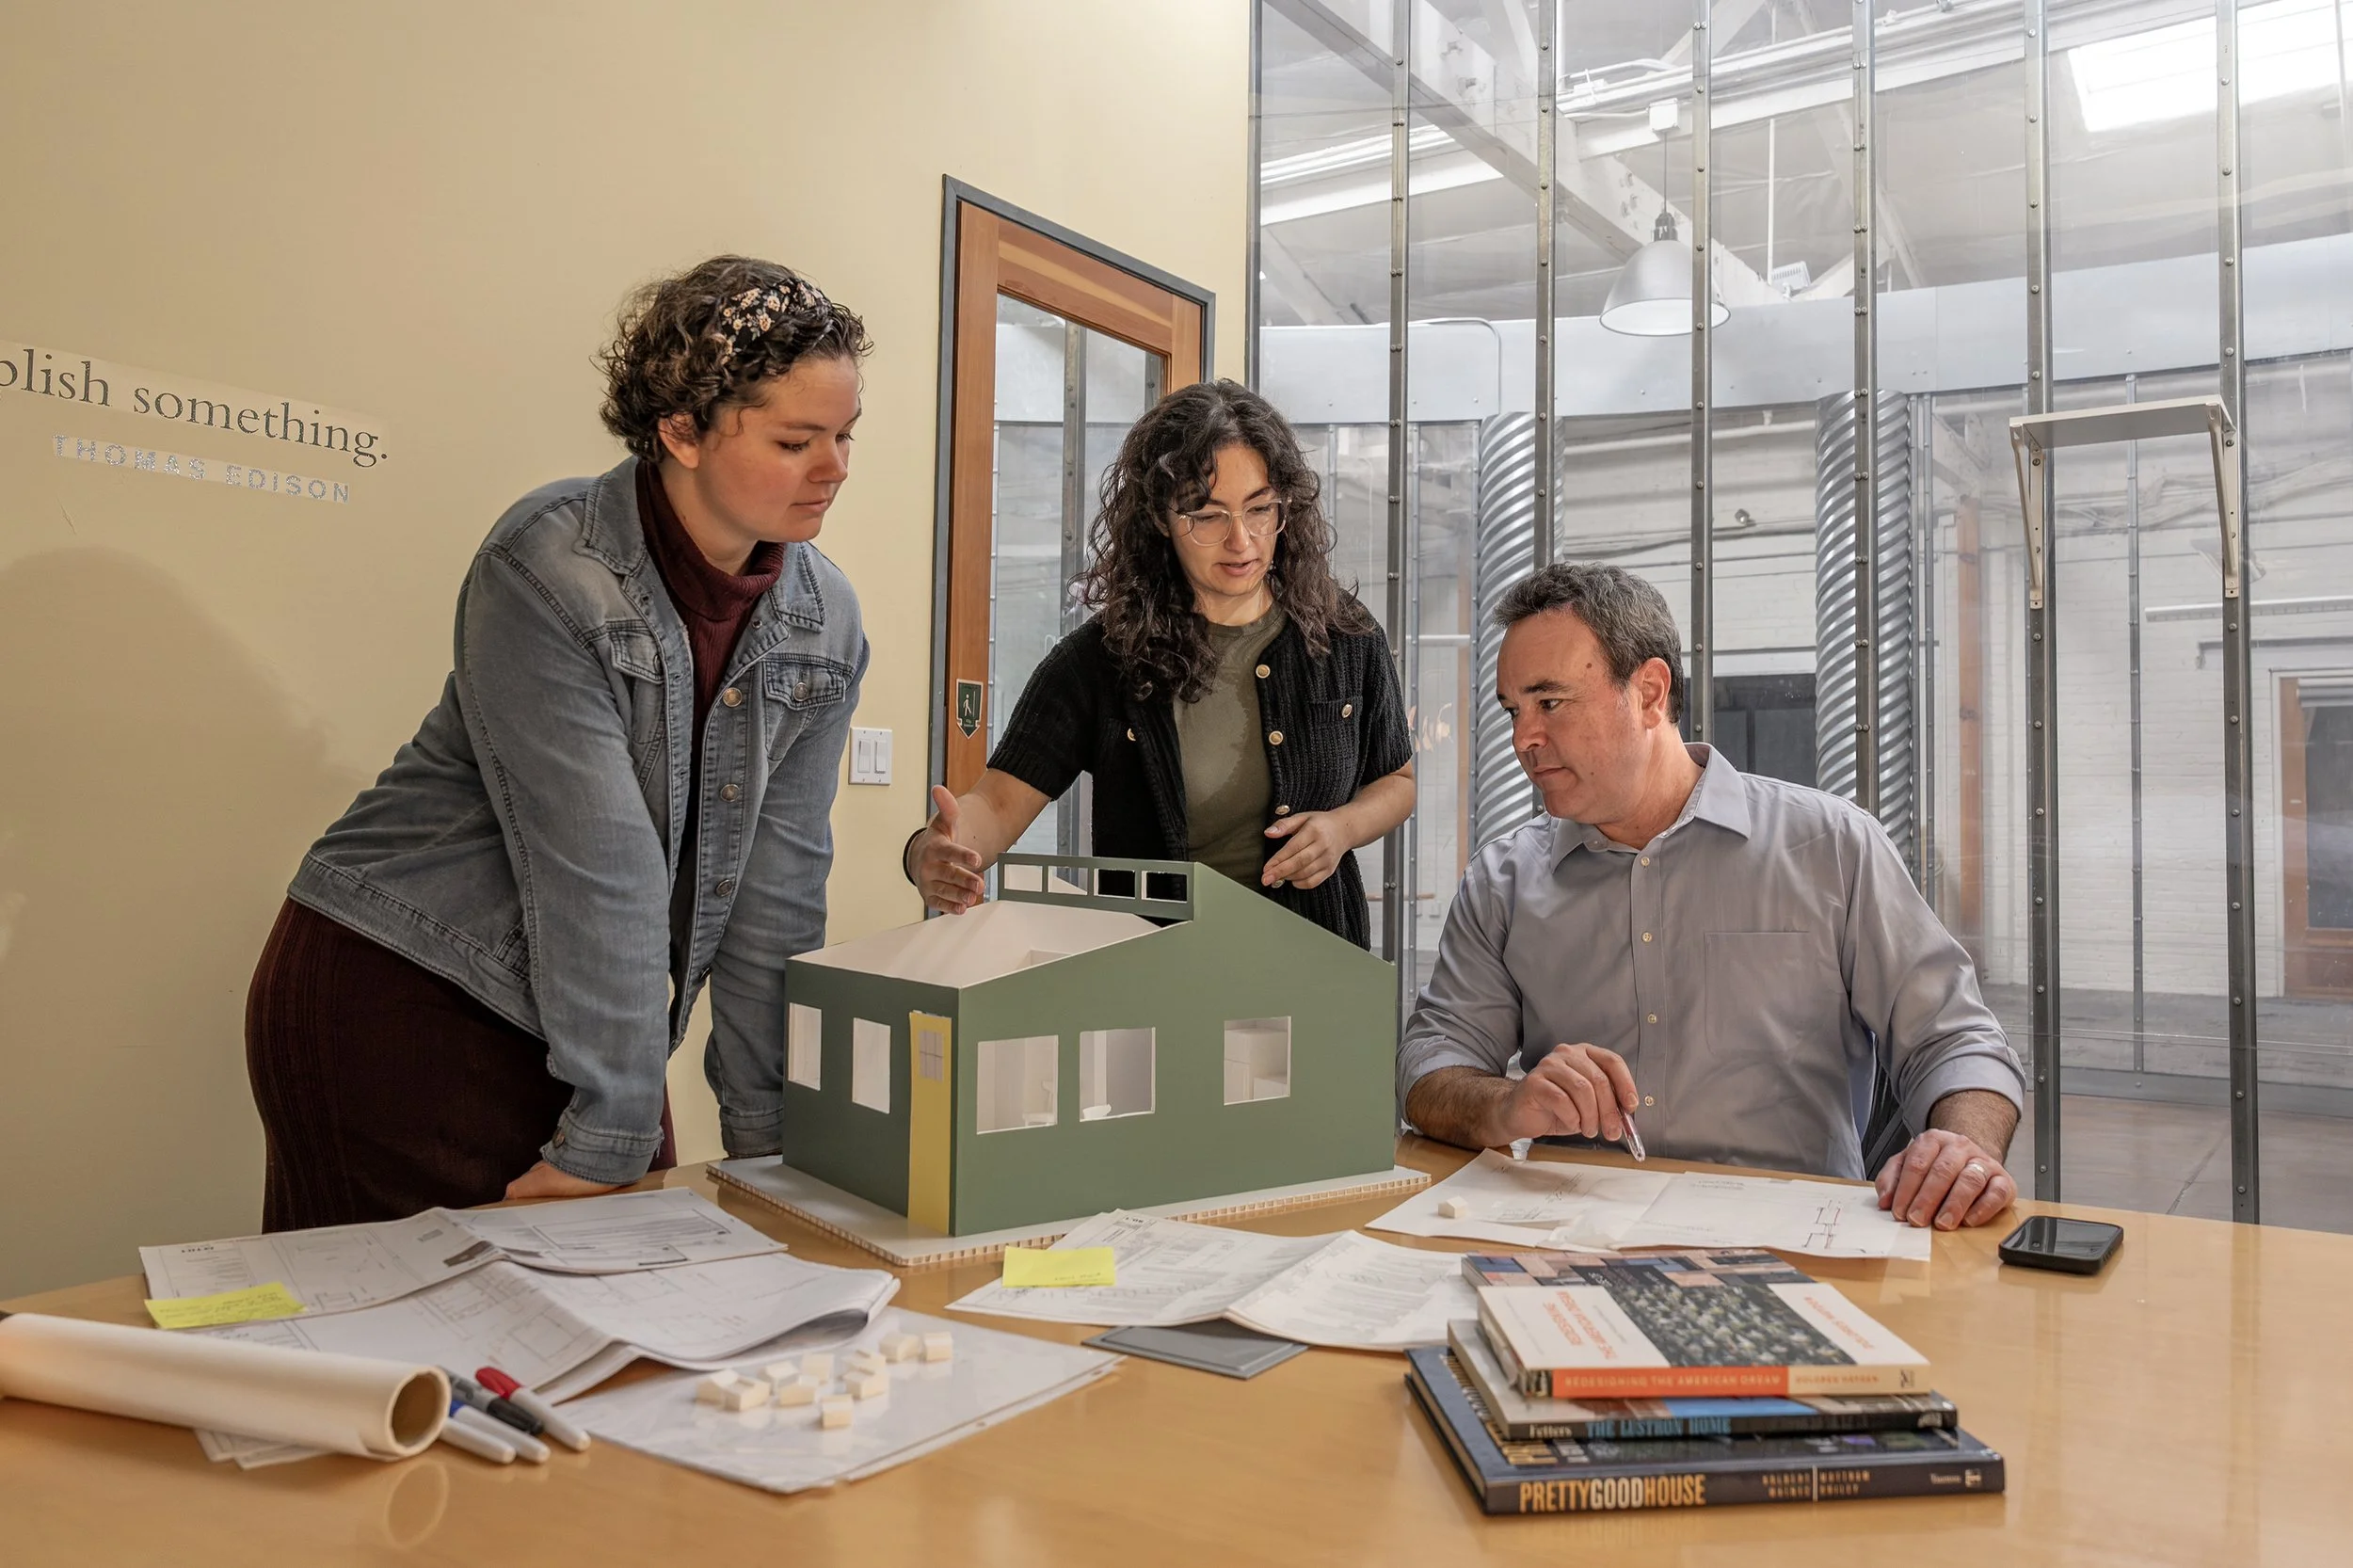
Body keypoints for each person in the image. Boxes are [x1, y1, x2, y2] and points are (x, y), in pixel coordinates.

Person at [245, 257, 870, 1229]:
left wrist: (773, 1145)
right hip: (413, 991)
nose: (833, 467)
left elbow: (775, 893)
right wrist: (613, 1131)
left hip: (583, 1015)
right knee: (409, 1354)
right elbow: (600, 866)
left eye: (843, 435)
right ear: (680, 430)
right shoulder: (548, 564)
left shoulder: (824, 619)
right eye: (797, 439)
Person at [1399, 563, 2025, 1231]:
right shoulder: (1503, 881)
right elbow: (1431, 1067)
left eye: (1550, 702)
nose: (1525, 738)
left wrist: (1965, 1147)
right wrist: (1507, 1105)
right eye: (1514, 711)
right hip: (1573, 1238)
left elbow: (1954, 1039)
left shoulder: (1831, 846)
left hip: (1793, 1240)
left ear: (1649, 694)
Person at [904, 379, 1415, 948]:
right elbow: (997, 804)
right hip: (1155, 977)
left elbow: (1397, 779)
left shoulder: (1345, 633)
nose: (1242, 540)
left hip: (1315, 961)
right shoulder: (1101, 660)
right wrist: (935, 849)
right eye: (1208, 515)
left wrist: (1342, 828)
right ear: (1160, 518)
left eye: (1260, 509)